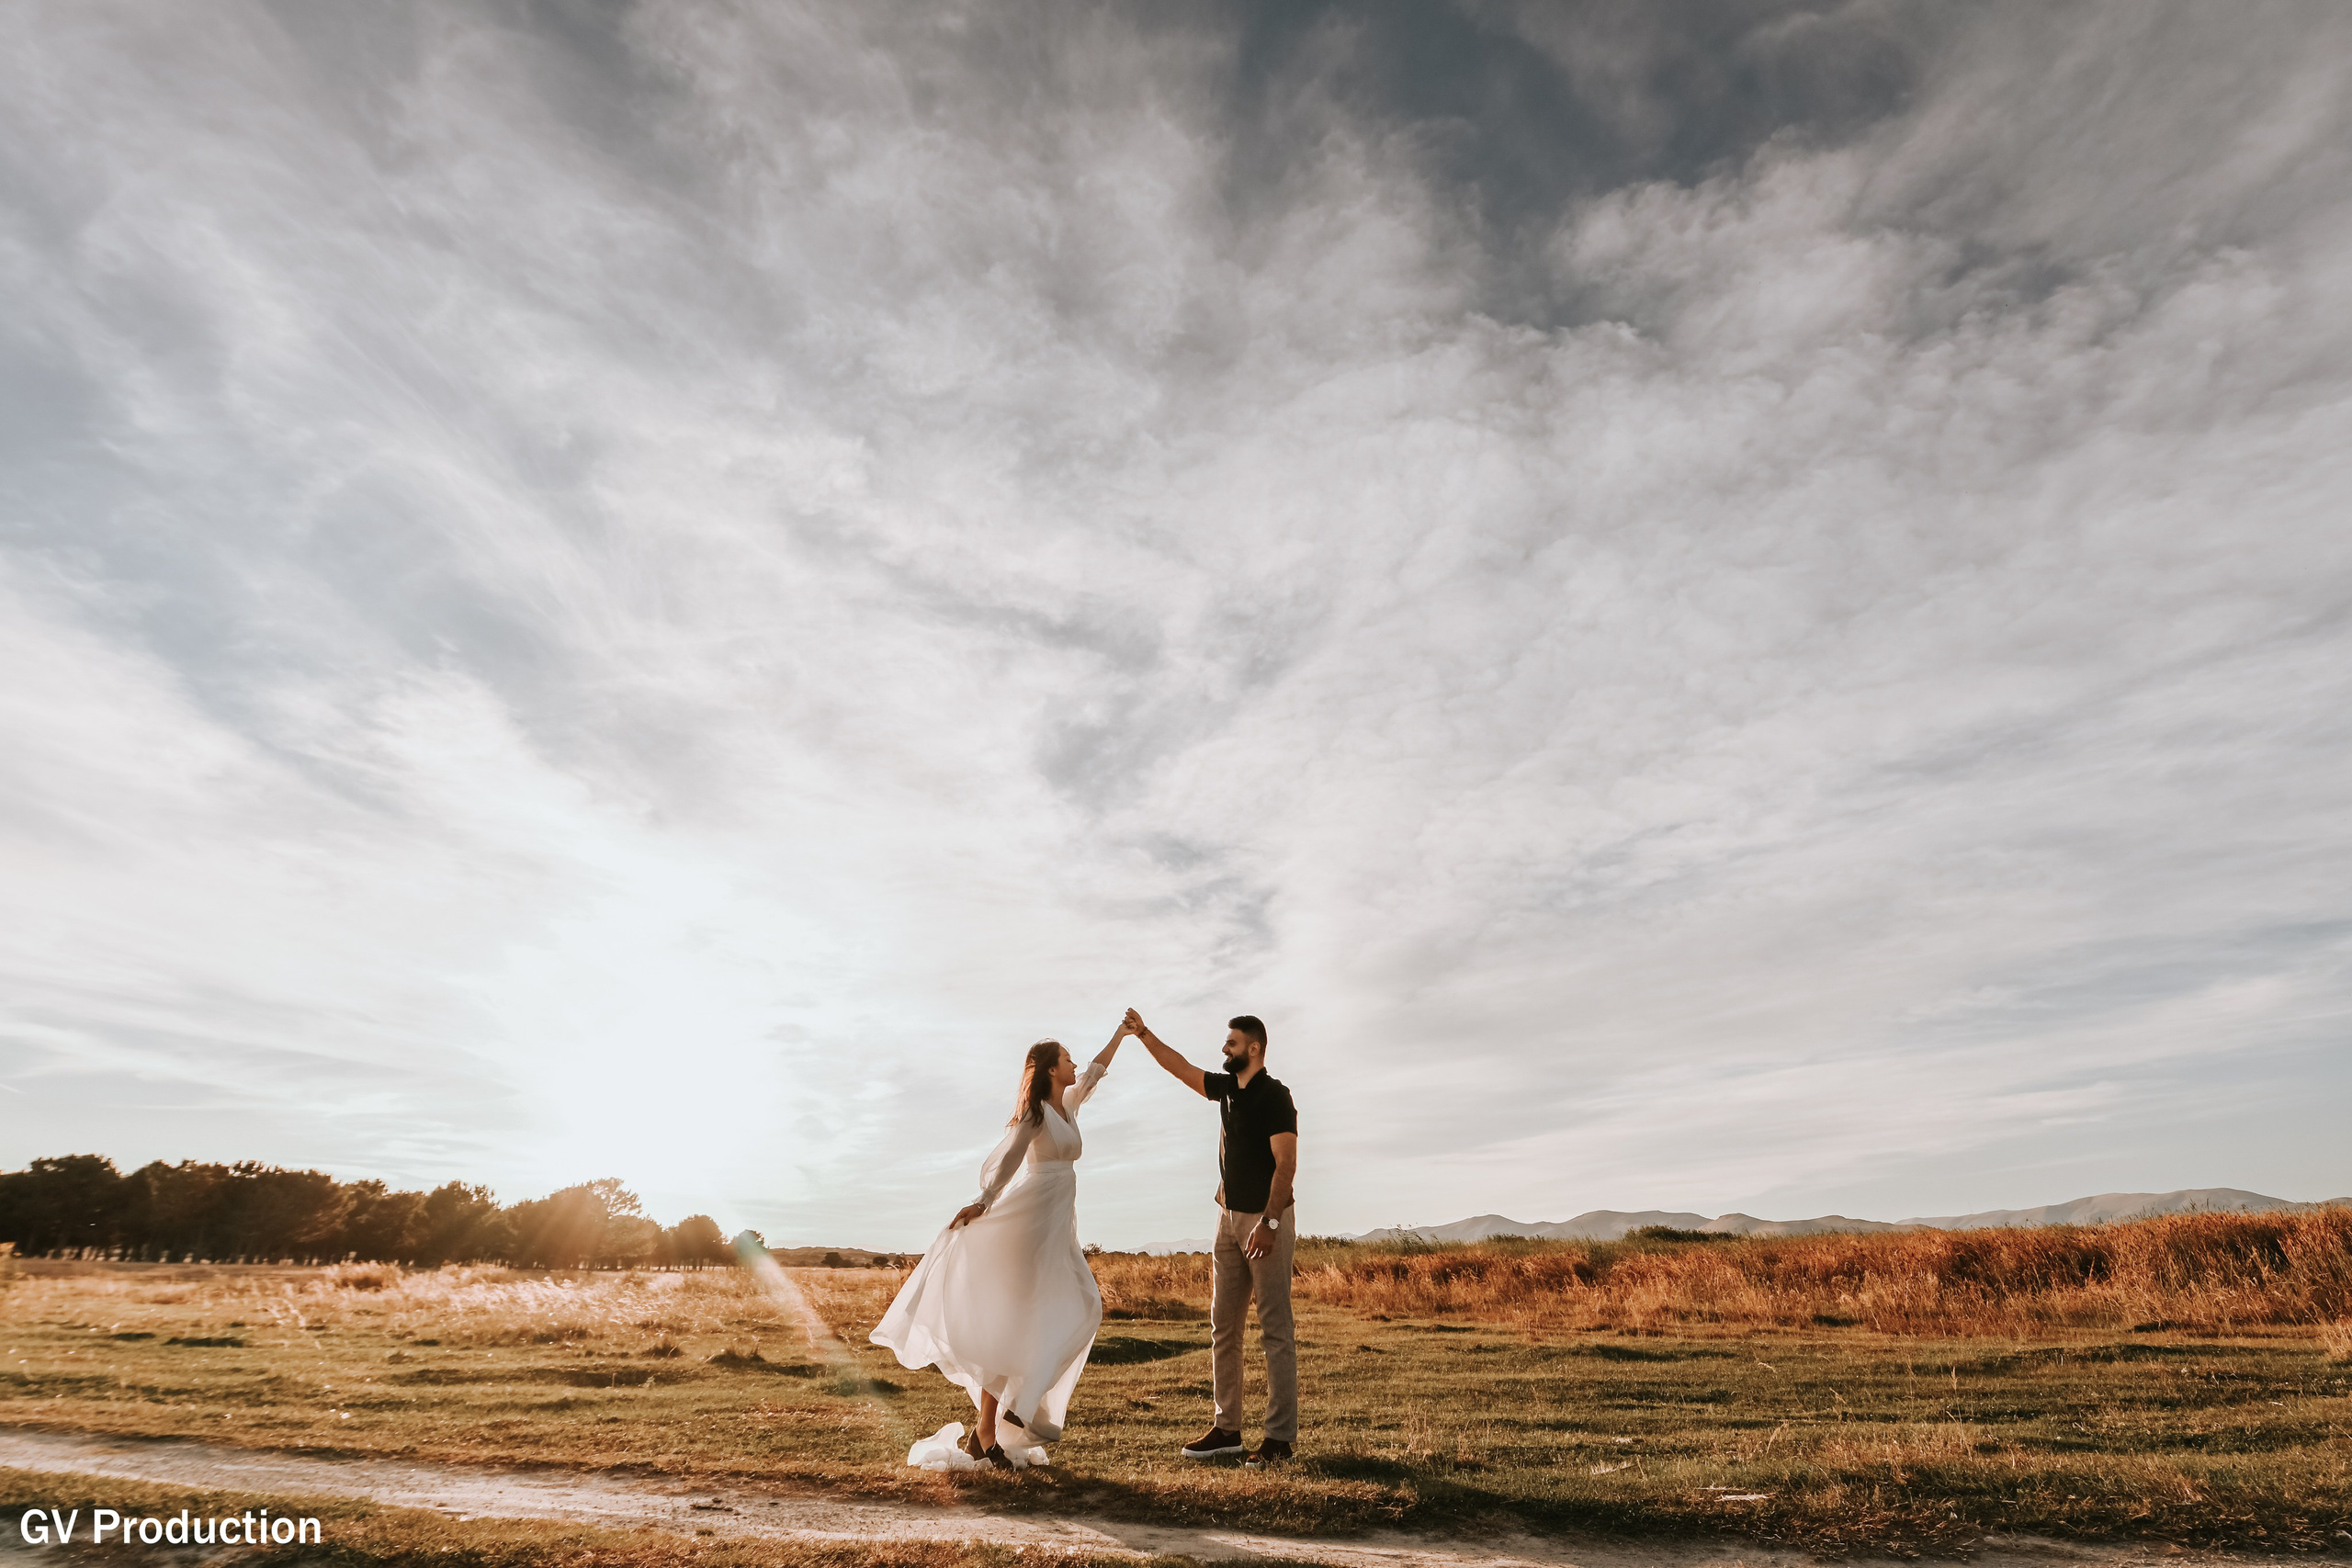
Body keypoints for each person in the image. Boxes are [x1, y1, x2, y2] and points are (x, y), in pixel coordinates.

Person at [870, 1021, 1130, 1466]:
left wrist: (1123, 1034)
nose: (1074, 1064)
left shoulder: (1068, 1104)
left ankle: (1006, 1416)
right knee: (1016, 1323)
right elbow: (1009, 1161)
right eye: (1066, 1058)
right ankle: (991, 1428)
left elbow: (1095, 1071)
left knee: (1083, 1305)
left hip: (1056, 1225)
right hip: (1027, 1221)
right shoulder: (1036, 1115)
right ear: (1050, 1070)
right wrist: (983, 1202)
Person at [1125, 1008, 1297, 1467]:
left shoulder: (1275, 1096)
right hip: (1226, 1220)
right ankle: (1227, 1431)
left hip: (1265, 1221)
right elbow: (1180, 1067)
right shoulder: (1225, 1090)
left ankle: (1279, 1441)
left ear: (1254, 1048)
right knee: (1225, 1327)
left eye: (1232, 1043)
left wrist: (1271, 1223)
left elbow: (1286, 1165)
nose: (1225, 1048)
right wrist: (1144, 1035)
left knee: (1275, 1330)